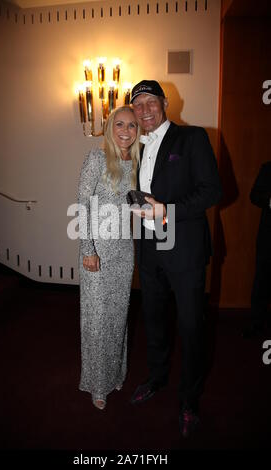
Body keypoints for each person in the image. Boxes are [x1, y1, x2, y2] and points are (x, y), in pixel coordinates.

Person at [129, 80, 222, 437]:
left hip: (184, 248)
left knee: (190, 326)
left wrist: (165, 211)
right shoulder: (135, 146)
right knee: (153, 319)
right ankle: (156, 378)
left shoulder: (192, 137)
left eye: (151, 101)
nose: (144, 110)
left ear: (165, 103)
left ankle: (189, 400)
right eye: (138, 105)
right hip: (149, 248)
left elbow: (212, 190)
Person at [78, 106, 140, 410]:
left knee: (118, 317)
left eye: (131, 125)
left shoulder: (137, 163)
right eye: (120, 124)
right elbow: (81, 206)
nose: (126, 130)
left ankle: (116, 373)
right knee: (97, 321)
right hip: (97, 252)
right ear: (110, 127)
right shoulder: (97, 158)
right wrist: (88, 250)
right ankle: (96, 384)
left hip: (124, 251)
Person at [242, 161, 271, 339]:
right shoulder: (269, 168)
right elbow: (254, 195)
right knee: (262, 280)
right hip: (269, 238)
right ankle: (256, 324)